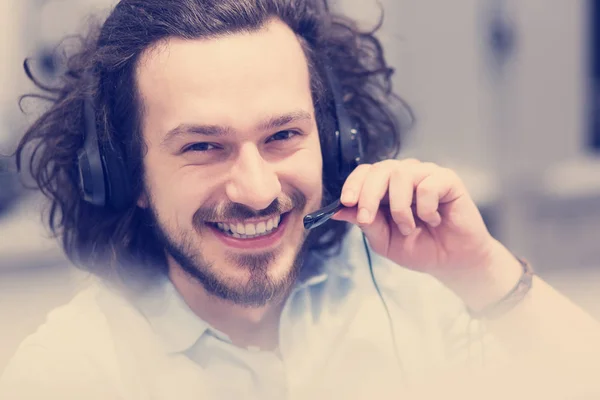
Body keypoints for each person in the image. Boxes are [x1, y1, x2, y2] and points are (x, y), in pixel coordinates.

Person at [1, 0, 599, 398]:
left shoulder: (416, 294)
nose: (258, 190)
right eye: (204, 146)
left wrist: (481, 271)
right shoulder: (68, 371)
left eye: (283, 135)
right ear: (124, 174)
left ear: (336, 143)